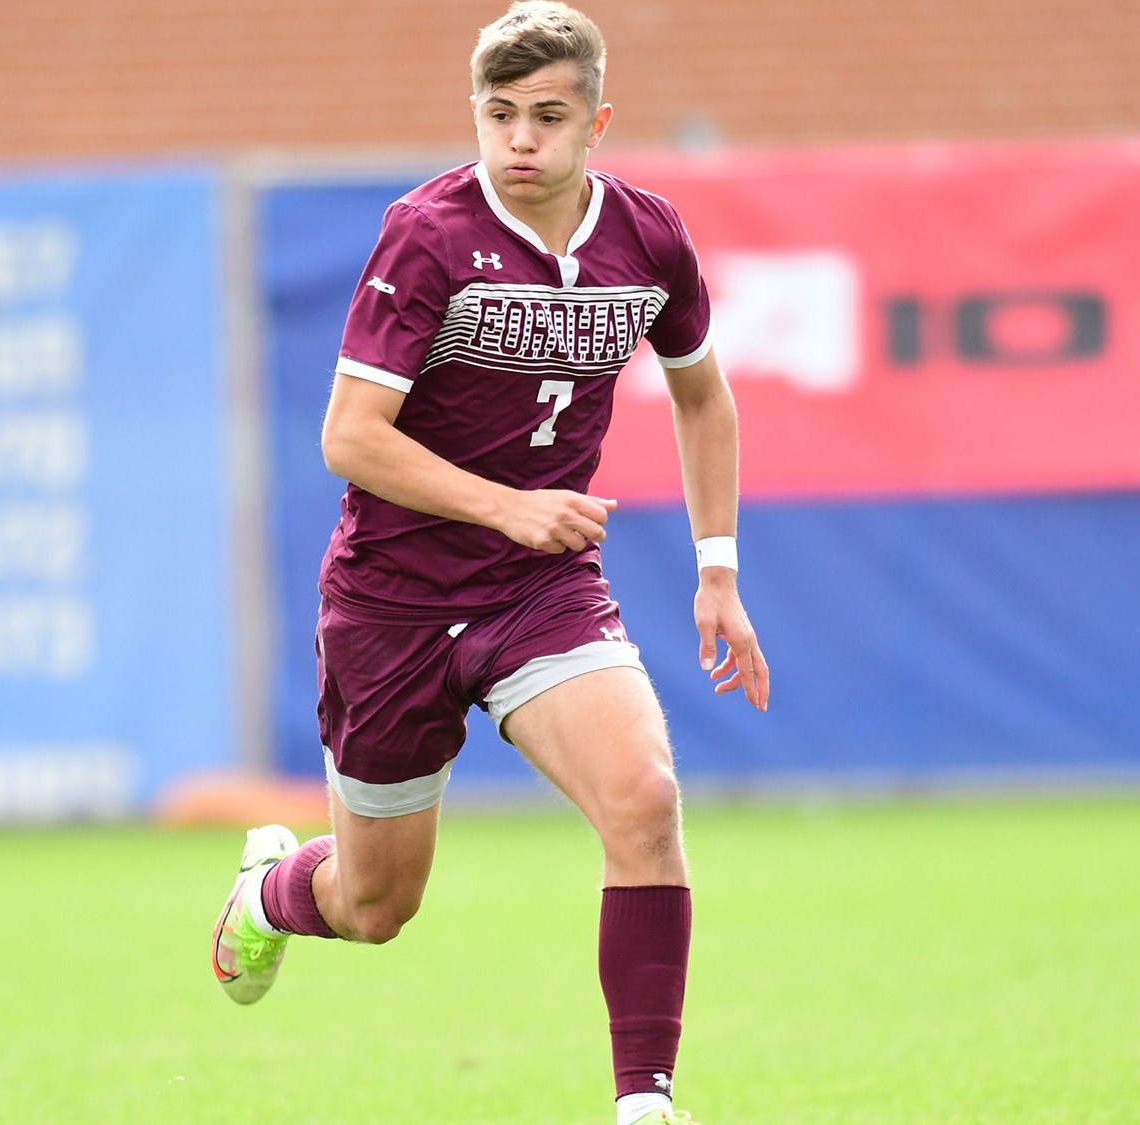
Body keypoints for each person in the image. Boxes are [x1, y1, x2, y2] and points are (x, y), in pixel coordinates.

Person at [211, 3, 768, 1122]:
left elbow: (703, 396)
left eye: (547, 117)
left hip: (538, 592)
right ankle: (269, 896)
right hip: (392, 603)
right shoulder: (424, 234)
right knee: (375, 906)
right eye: (498, 114)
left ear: (596, 123)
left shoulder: (648, 238)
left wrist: (717, 568)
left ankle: (644, 1103)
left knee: (644, 801)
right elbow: (348, 438)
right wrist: (507, 507)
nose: (519, 139)